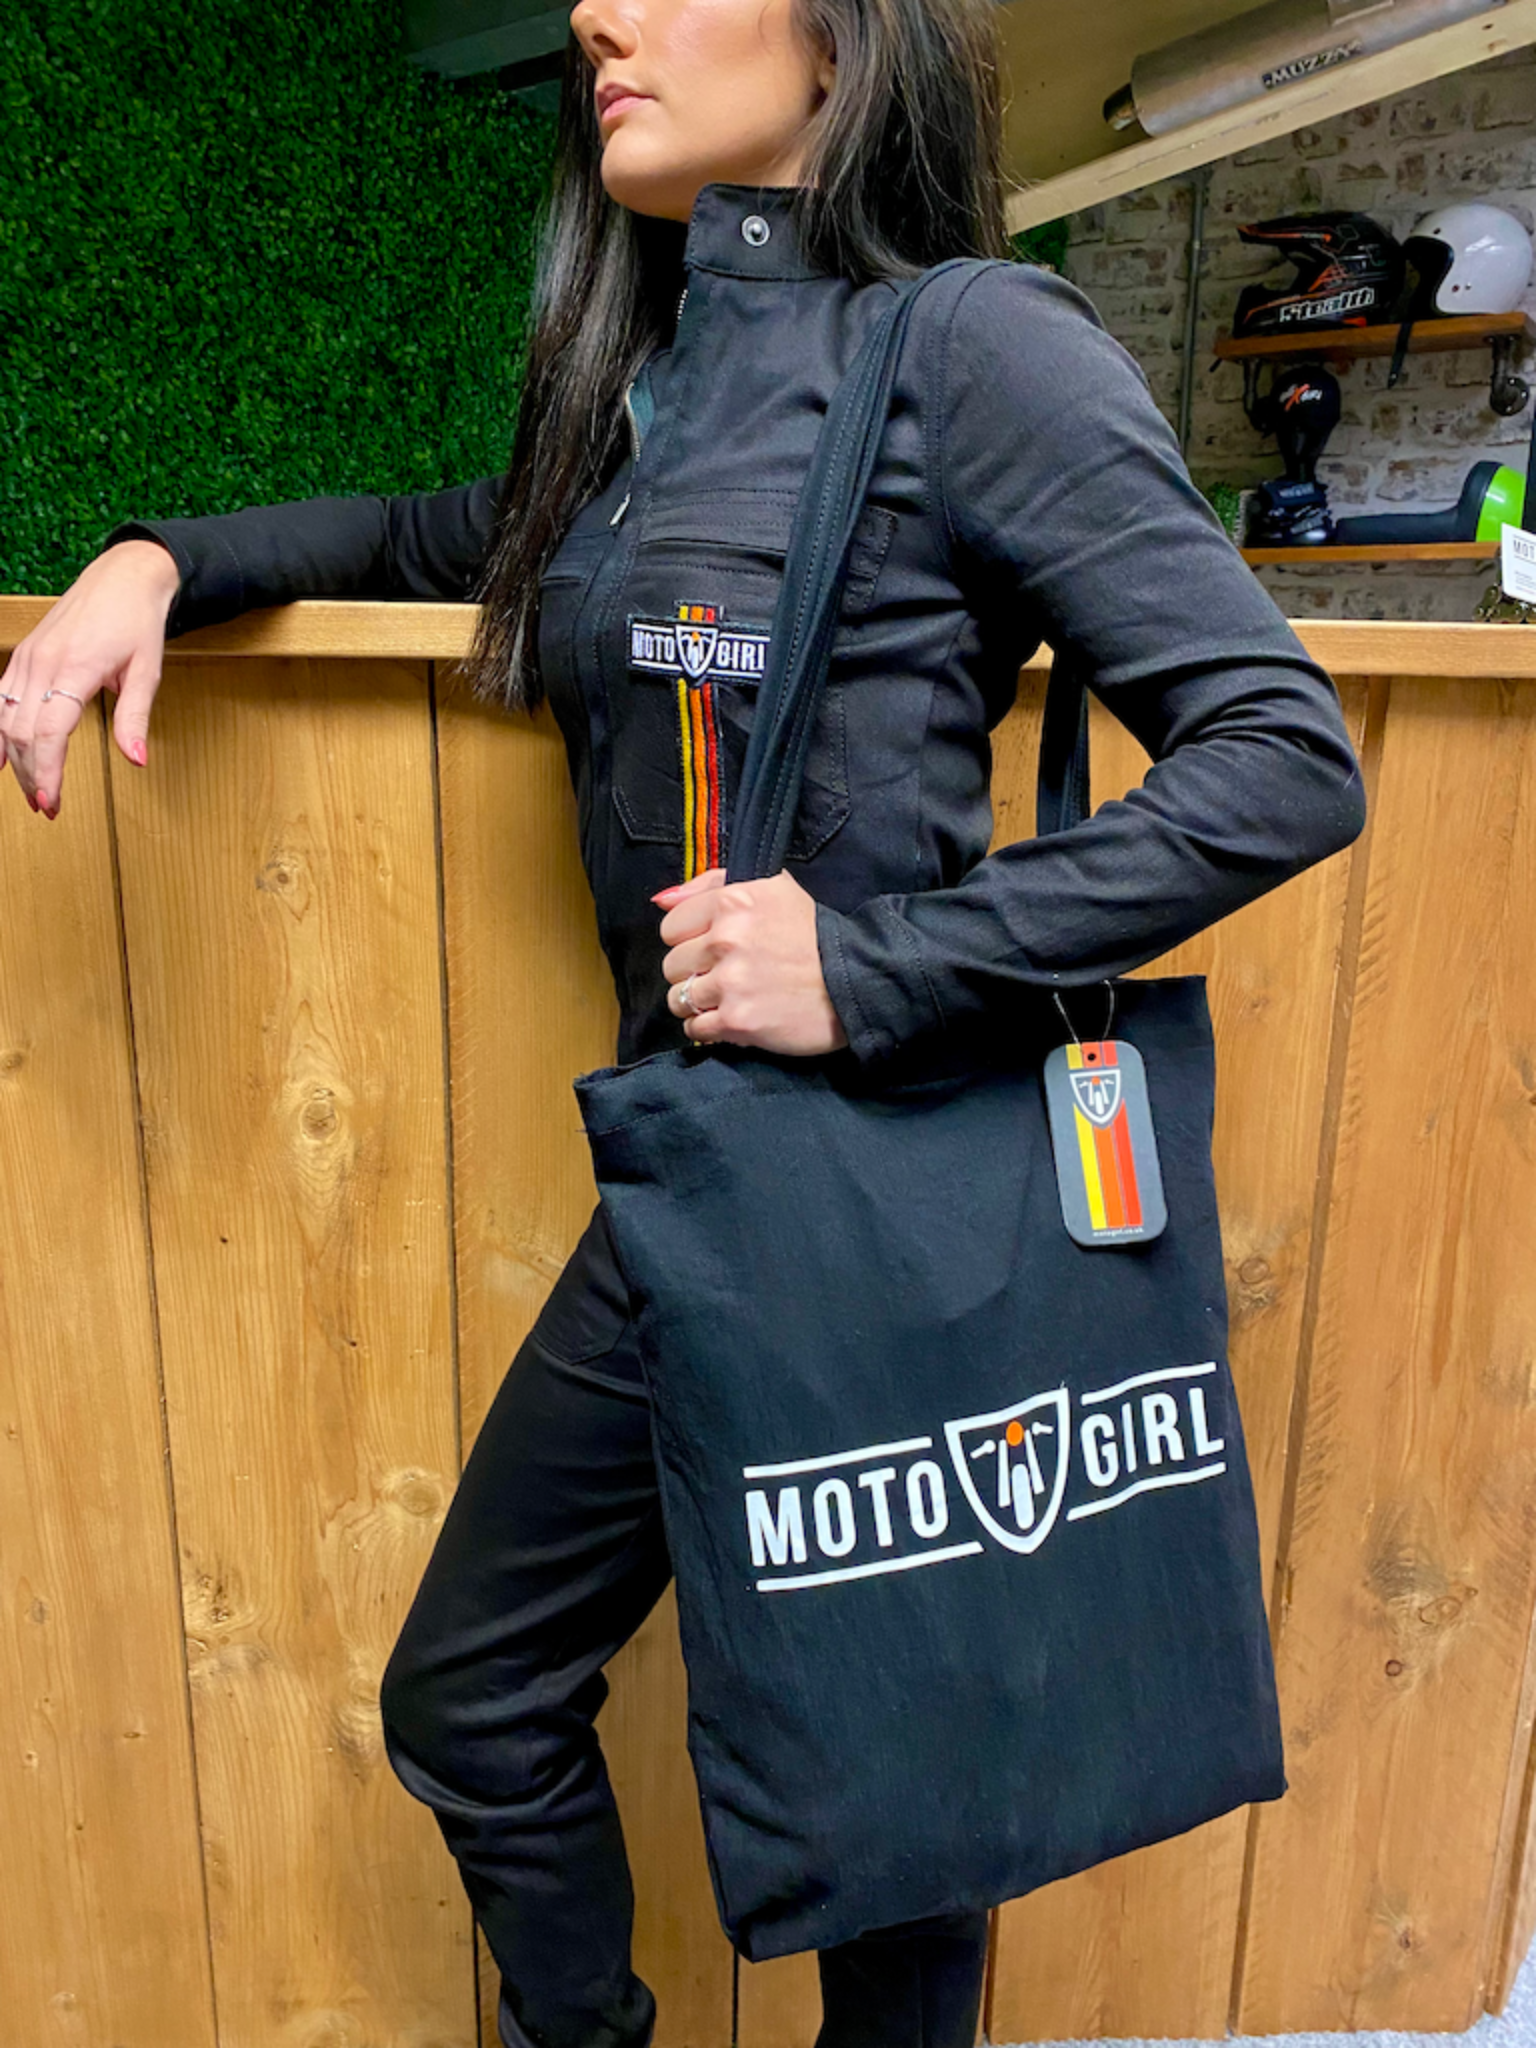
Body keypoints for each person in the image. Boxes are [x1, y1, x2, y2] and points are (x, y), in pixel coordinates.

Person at [0, 0, 1367, 2037]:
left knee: (894, 1792)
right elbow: (424, 543)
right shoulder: (647, 404)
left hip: (883, 1173)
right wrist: (150, 557)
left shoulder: (974, 342)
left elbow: (1281, 754)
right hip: (713, 1182)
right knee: (495, 1704)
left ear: (838, 42)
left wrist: (876, 961)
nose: (592, 14)